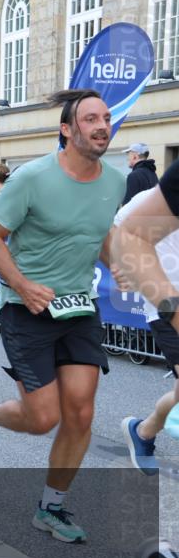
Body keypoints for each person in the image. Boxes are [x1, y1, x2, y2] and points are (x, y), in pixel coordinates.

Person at [0, 89, 125, 544]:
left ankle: (52, 507)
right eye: (91, 118)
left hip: (77, 307)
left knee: (81, 413)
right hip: (26, 307)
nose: (102, 125)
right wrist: (24, 286)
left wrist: (117, 264)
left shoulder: (116, 180)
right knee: (43, 417)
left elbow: (99, 230)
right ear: (68, 129)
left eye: (106, 117)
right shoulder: (31, 177)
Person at [115, 159, 179, 473]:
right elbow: (119, 237)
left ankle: (143, 431)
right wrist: (120, 268)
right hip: (166, 306)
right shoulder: (141, 204)